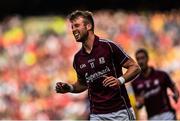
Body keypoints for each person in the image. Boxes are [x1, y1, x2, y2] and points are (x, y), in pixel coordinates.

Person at [55, 10, 141, 121]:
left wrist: (120, 80)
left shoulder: (108, 46)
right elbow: (83, 84)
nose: (73, 30)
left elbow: (135, 67)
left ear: (88, 26)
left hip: (120, 112)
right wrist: (70, 88)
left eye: (76, 26)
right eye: (72, 27)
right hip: (97, 115)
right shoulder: (77, 59)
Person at [131, 48, 179, 120]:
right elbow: (138, 102)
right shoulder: (135, 82)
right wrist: (139, 104)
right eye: (138, 59)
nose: (140, 61)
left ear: (147, 58)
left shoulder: (162, 75)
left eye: (142, 58)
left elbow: (174, 87)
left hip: (167, 114)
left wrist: (176, 95)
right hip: (152, 117)